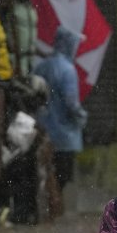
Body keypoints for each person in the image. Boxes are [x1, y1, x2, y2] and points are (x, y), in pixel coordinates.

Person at [33, 25, 88, 216]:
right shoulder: (68, 70)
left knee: (46, 173)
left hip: (42, 131)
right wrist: (81, 118)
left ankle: (47, 209)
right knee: (61, 176)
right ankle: (55, 209)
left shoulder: (41, 66)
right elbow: (71, 102)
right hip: (65, 135)